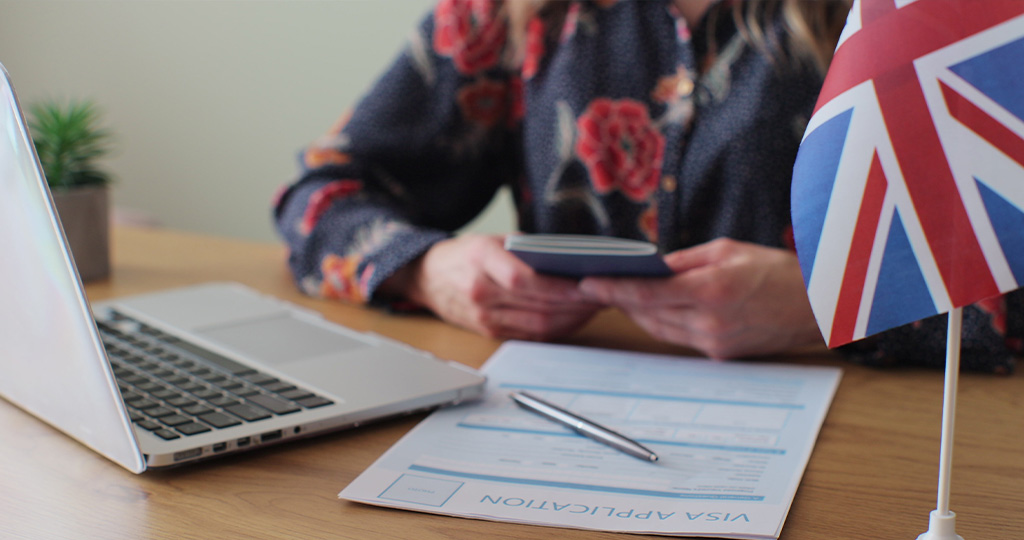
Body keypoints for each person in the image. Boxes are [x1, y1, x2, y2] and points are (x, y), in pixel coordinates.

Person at [274, 0, 1019, 373]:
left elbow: (1006, 269)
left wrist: (819, 309)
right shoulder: (507, 16)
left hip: (864, 450)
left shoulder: (906, 17)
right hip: (560, 433)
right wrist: (431, 269)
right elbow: (319, 195)